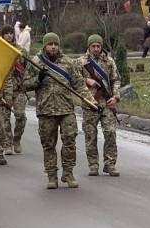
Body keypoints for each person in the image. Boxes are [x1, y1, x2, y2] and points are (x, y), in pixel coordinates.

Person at [23, 32, 96, 189]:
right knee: (48, 144)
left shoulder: (68, 63)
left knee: (70, 141)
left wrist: (91, 100)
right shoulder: (36, 62)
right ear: (45, 45)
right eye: (50, 44)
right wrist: (38, 79)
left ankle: (68, 173)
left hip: (66, 109)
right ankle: (51, 175)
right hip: (46, 110)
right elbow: (25, 84)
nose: (53, 47)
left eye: (56, 44)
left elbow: (79, 84)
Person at [78, 34, 121, 177]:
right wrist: (86, 80)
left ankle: (110, 164)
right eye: (93, 46)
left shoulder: (109, 61)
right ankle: (93, 165)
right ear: (88, 47)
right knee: (91, 135)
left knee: (110, 133)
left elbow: (116, 80)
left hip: (107, 103)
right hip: (90, 103)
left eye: (98, 46)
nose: (96, 49)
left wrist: (115, 96)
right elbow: (73, 80)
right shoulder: (81, 62)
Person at [0, 25, 27, 154]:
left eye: (11, 33)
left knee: (21, 116)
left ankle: (16, 139)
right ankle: (8, 144)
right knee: (5, 118)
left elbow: (27, 68)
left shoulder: (20, 50)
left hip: (19, 89)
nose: (9, 35)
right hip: (4, 90)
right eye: (6, 33)